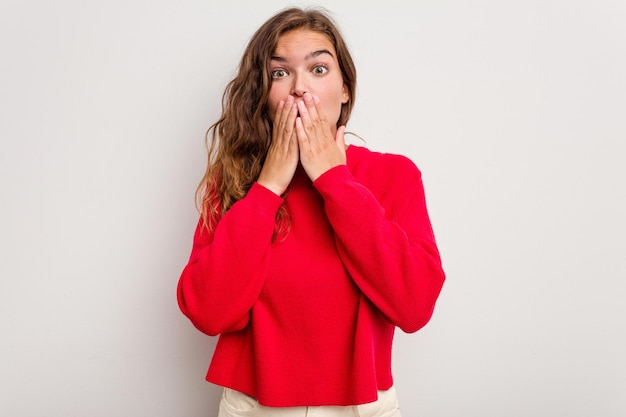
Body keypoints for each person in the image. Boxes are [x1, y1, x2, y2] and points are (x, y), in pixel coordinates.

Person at [177, 7, 445, 417]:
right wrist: (267, 188)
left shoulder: (394, 175)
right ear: (263, 95)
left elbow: (413, 306)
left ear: (345, 90)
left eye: (318, 69)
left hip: (362, 406)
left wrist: (334, 180)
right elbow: (209, 311)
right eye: (280, 73)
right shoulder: (233, 181)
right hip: (253, 406)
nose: (300, 88)